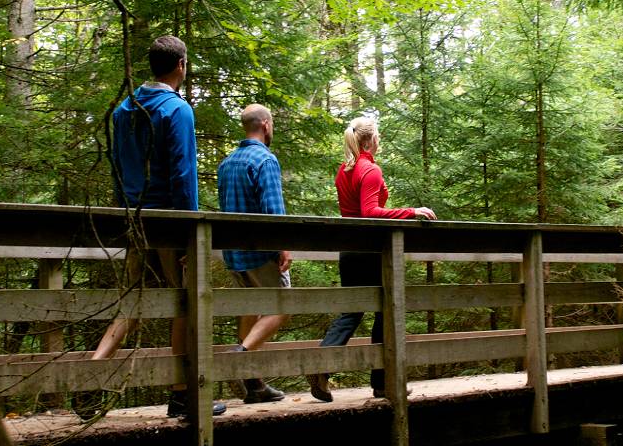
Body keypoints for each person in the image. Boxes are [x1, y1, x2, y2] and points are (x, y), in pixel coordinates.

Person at [96, 35, 224, 419]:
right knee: (185, 302)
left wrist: (125, 212)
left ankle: (89, 377)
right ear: (181, 65)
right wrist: (189, 230)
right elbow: (184, 175)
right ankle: (182, 394)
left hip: (136, 219)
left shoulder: (124, 109)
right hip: (169, 221)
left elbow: (118, 167)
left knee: (132, 303)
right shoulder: (177, 110)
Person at [307, 116, 436, 402]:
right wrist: (411, 211)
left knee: (352, 311)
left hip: (349, 249)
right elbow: (370, 212)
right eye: (378, 135)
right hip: (369, 250)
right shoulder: (370, 170)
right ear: (370, 140)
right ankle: (383, 382)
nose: (380, 140)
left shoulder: (345, 169)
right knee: (385, 311)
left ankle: (323, 366)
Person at [215, 104, 293, 404]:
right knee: (282, 306)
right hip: (259, 252)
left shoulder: (227, 162)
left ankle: (255, 385)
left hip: (233, 254)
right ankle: (239, 358)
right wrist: (283, 246)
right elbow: (274, 211)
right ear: (265, 125)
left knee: (250, 309)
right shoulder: (265, 160)